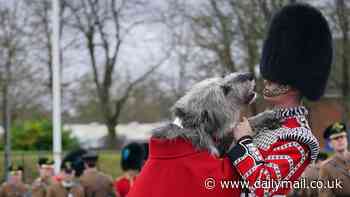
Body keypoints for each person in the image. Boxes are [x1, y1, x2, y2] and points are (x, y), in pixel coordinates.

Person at [227, 3, 333, 197]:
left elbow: (263, 186)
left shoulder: (298, 138)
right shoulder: (267, 124)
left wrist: (243, 140)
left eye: (275, 78)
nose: (267, 80)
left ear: (293, 84)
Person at [319, 122, 350, 197]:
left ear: (347, 139)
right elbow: (325, 194)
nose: (340, 140)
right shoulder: (326, 167)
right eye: (336, 138)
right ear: (330, 144)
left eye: (342, 137)